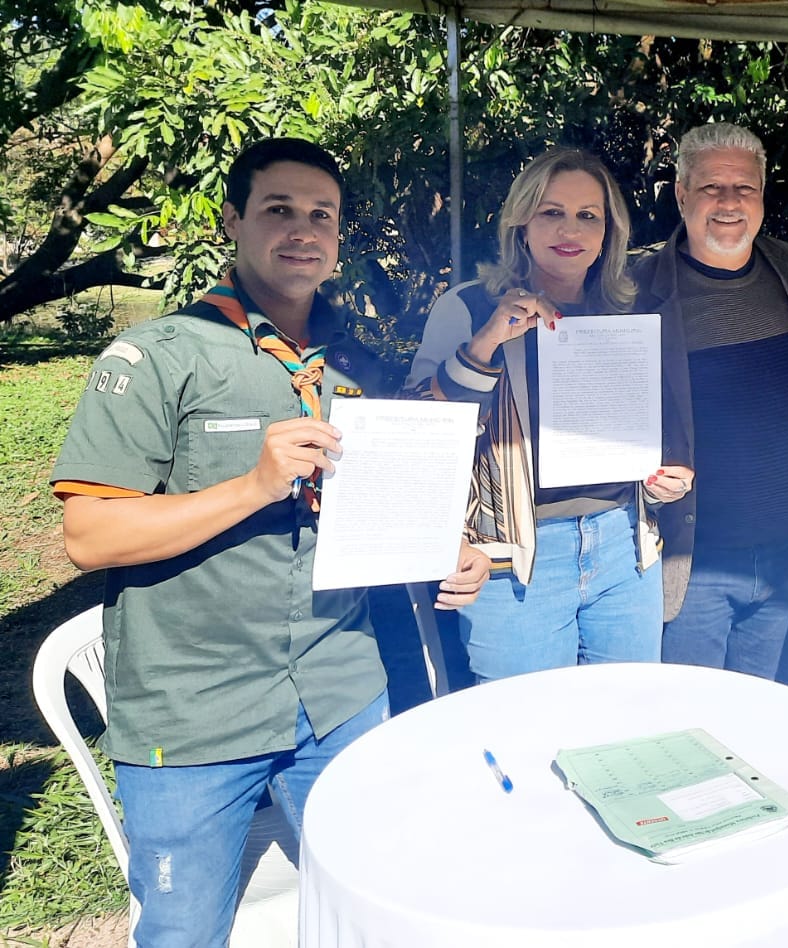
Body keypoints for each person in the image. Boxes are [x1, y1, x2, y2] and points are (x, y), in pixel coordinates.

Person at [50, 138, 490, 945]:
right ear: (232, 220)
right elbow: (89, 533)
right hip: (194, 708)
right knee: (184, 932)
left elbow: (380, 501)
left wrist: (444, 546)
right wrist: (251, 486)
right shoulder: (158, 358)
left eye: (321, 215)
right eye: (278, 209)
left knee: (377, 906)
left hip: (340, 687)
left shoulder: (352, 361)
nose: (302, 230)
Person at [406, 148, 692, 682]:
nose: (570, 229)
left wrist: (660, 482)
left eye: (588, 215)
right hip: (514, 561)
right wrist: (488, 341)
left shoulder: (625, 310)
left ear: (608, 232)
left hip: (624, 547)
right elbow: (415, 433)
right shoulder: (469, 307)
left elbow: (643, 437)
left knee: (626, 716)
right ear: (521, 222)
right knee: (526, 724)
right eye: (552, 212)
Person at [634, 123, 788, 685]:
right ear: (682, 195)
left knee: (767, 720)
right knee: (687, 721)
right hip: (691, 563)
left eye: (744, 188)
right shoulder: (637, 288)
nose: (729, 203)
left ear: (763, 195)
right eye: (711, 188)